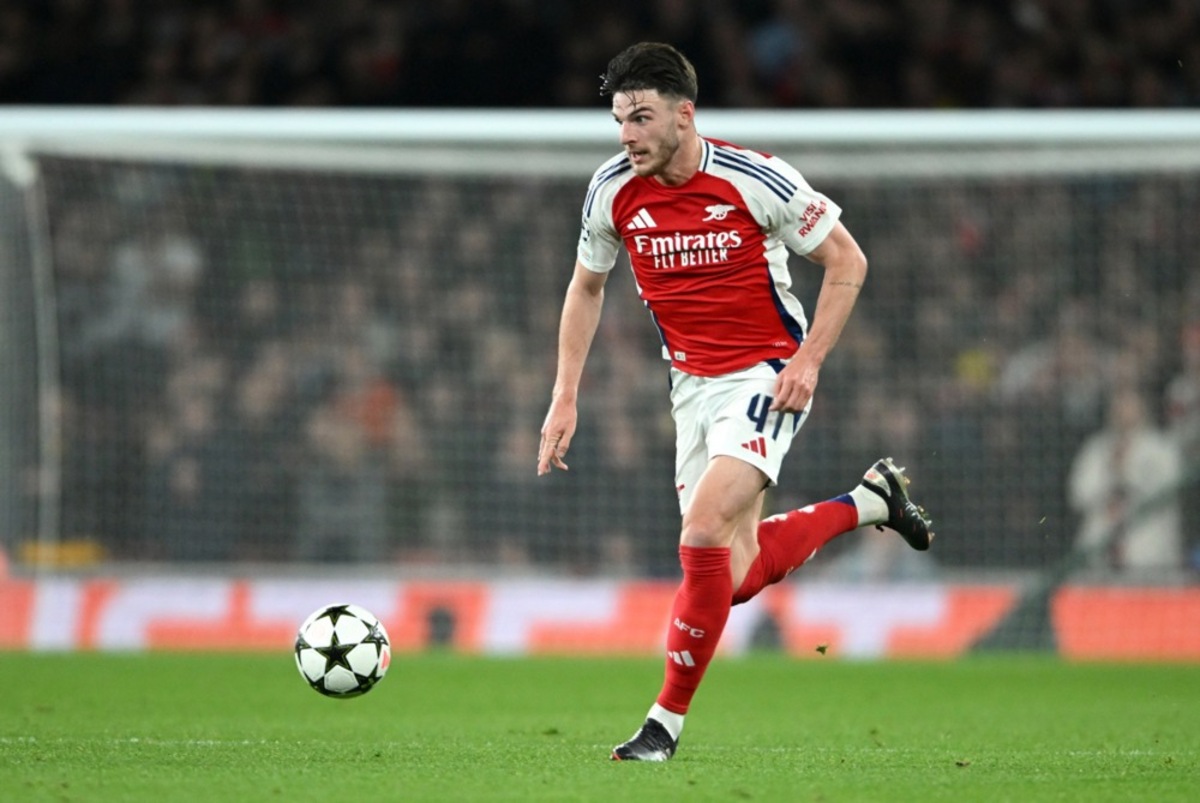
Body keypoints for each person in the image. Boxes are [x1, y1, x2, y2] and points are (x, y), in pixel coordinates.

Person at [536, 42, 934, 762]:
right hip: (689, 386)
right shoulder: (611, 191)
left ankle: (663, 725)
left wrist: (808, 360)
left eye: (642, 118)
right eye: (620, 120)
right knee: (735, 573)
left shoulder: (757, 179)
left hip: (765, 372)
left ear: (684, 116)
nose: (627, 135)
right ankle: (870, 501)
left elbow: (848, 260)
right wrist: (564, 397)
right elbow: (585, 287)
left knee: (703, 528)